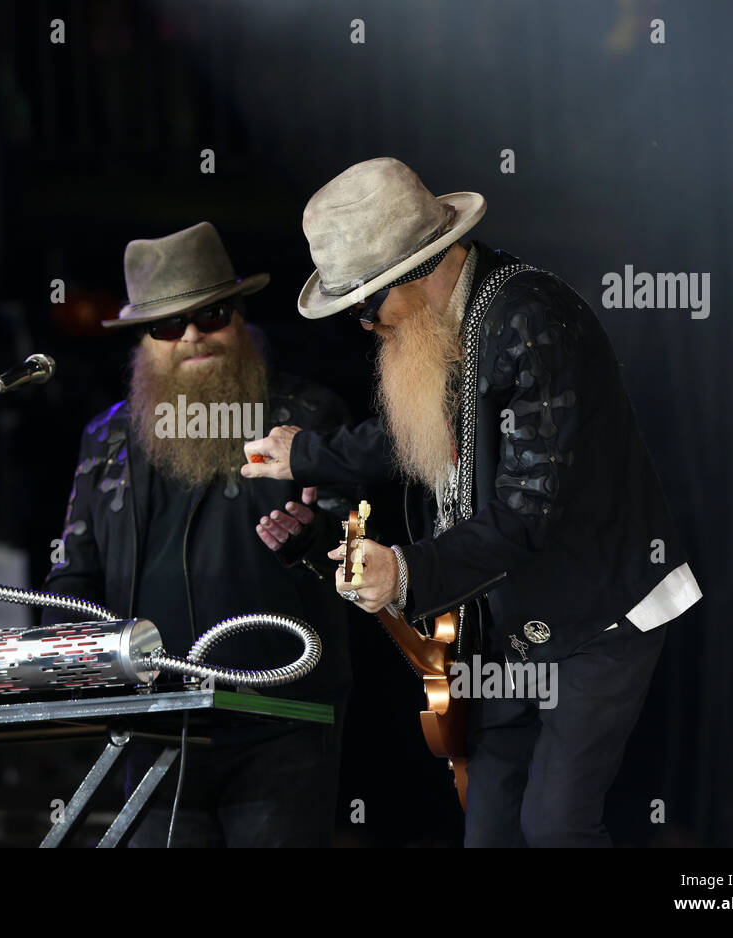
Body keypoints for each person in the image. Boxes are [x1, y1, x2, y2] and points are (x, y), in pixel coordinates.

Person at [242, 157, 702, 847]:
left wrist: (404, 571)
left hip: (603, 610)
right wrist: (303, 454)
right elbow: (406, 436)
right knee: (488, 827)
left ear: (412, 271)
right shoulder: (446, 318)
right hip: (512, 615)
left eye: (366, 306)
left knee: (556, 826)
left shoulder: (530, 322)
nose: (364, 326)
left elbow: (525, 513)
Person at [43, 221, 353, 846]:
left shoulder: (308, 417)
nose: (191, 335)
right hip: (154, 732)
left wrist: (314, 540)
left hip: (280, 724)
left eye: (210, 314)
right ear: (143, 342)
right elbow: (72, 576)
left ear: (240, 317)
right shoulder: (106, 439)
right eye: (167, 326)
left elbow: (358, 550)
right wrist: (65, 649)